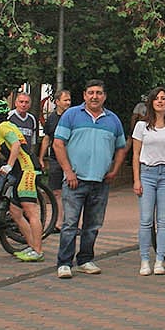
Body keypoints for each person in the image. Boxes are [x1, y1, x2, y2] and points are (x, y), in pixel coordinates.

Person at [52, 79, 127, 278]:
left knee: (93, 225)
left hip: (101, 181)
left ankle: (85, 259)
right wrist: (68, 171)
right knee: (70, 224)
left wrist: (114, 170)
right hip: (74, 180)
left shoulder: (113, 120)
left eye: (99, 93)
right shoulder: (71, 115)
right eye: (91, 93)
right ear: (84, 95)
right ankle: (64, 263)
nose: (95, 96)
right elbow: (58, 144)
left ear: (104, 96)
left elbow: (121, 148)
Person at [132, 87, 165, 276]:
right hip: (147, 173)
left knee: (163, 220)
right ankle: (145, 259)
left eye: (163, 98)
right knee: (146, 220)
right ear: (151, 102)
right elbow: (136, 154)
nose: (160, 101)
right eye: (157, 99)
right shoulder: (141, 126)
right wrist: (136, 179)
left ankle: (159, 259)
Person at [0, 98, 44, 261]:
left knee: (31, 211)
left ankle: (38, 251)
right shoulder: (5, 128)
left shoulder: (4, 127)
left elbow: (16, 145)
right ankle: (32, 246)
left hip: (27, 170)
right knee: (15, 212)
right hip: (22, 172)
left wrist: (9, 166)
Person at [39, 88, 72, 207]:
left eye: (69, 100)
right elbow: (47, 138)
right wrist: (41, 158)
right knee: (56, 191)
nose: (68, 103)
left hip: (71, 158)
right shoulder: (51, 119)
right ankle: (58, 220)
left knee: (71, 190)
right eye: (65, 100)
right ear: (57, 102)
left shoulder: (74, 117)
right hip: (55, 159)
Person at [8, 91, 40, 160]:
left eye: (26, 102)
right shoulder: (9, 116)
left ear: (30, 105)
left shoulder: (32, 119)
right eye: (21, 102)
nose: (23, 105)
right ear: (16, 103)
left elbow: (32, 142)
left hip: (25, 158)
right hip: (10, 157)